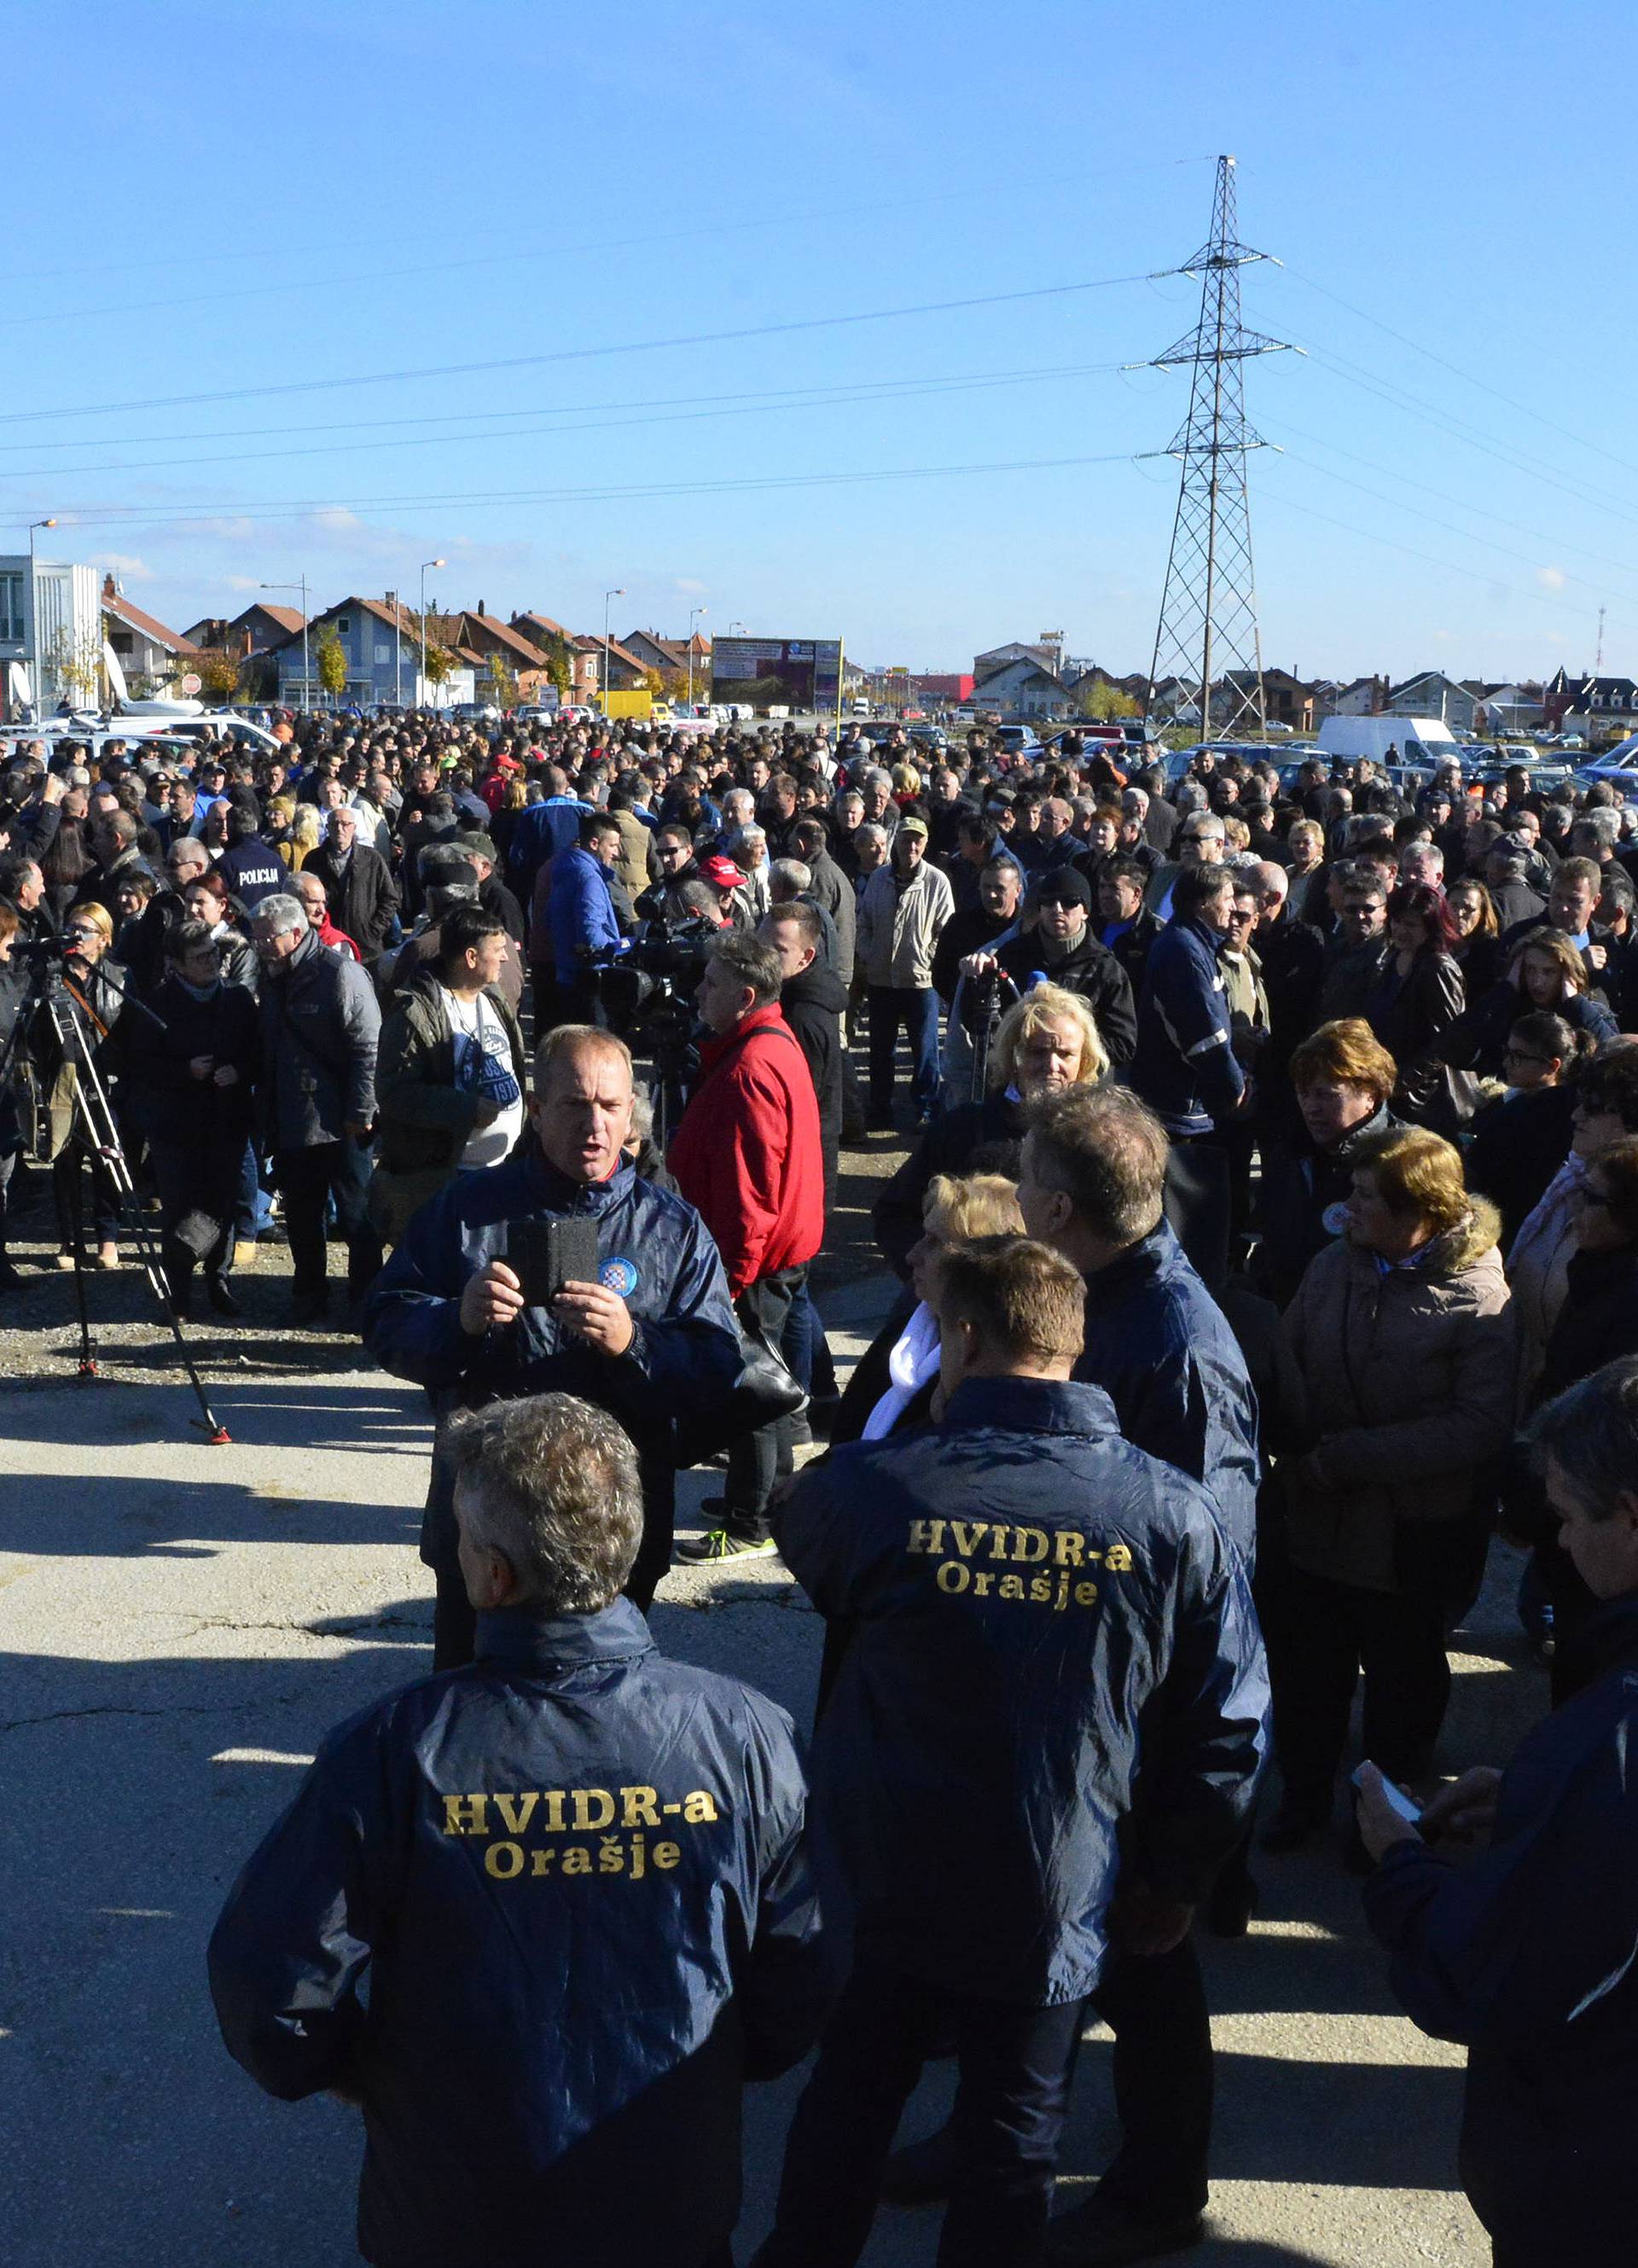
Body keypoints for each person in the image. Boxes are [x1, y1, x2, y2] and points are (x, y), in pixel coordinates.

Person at [209, 1391, 832, 2268]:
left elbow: (268, 1973)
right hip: (669, 2189)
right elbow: (804, 1955)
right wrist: (730, 2061)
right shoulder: (751, 1735)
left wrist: (348, 2068)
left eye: (461, 1535)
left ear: (493, 1576)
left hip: (456, 2206)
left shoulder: (394, 1748)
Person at [755, 1236, 1267, 2268]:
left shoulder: (877, 1489)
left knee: (849, 2106)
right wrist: (1173, 1879)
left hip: (887, 1875)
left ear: (967, 1339)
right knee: (1014, 2140)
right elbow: (1232, 1724)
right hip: (1058, 1888)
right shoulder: (1173, 1515)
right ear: (1071, 1347)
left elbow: (800, 1529)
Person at [1359, 1354, 1638, 2268]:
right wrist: (1534, 1797)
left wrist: (1402, 1861)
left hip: (1593, 2187)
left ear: (1632, 1518)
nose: (1556, 1546)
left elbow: (1478, 1974)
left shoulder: (1610, 1744)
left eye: (1566, 1516)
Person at [363, 1024, 743, 1659]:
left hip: (614, 1519)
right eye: (574, 1104)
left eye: (611, 1106)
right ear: (537, 1112)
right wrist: (457, 1319)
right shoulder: (467, 1210)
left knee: (599, 1710)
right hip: (488, 1517)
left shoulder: (671, 1228)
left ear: (632, 1117)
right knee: (474, 1708)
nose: (594, 1124)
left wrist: (634, 1342)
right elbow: (384, 1321)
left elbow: (717, 1365)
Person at [1265, 1128, 1517, 1856]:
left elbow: (1476, 1427)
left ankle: (1384, 1825)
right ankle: (1305, 1800)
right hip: (1316, 1522)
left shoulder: (1481, 1300)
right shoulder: (1331, 1267)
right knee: (1310, 1676)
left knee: (1402, 1691)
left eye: (1366, 1197)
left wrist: (1351, 1459)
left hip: (1412, 1536)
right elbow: (1289, 1359)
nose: (1347, 1207)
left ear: (1421, 1210)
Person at [669, 932, 825, 1561]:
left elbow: (749, 1195)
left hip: (759, 1255)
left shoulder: (751, 1067)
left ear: (746, 995)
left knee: (750, 1385)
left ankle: (750, 1520)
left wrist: (731, 1283)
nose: (699, 991)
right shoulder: (764, 1042)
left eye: (711, 983)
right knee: (767, 1379)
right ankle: (768, 1491)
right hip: (780, 1245)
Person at [874, 983, 1107, 1277]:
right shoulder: (962, 1129)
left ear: (1084, 1060)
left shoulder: (1095, 1143)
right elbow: (894, 1215)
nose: (1052, 1065)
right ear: (1013, 1056)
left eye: (1065, 1054)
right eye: (1037, 1051)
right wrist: (938, 1277)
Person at [252, 892, 383, 1325]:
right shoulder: (273, 976)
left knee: (357, 1215)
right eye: (257, 937)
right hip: (292, 1119)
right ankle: (309, 1296)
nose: (260, 945)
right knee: (303, 1216)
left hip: (342, 1121)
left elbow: (368, 1046)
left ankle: (367, 1300)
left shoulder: (340, 973)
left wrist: (362, 1110)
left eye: (268, 937)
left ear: (295, 933)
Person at [371, 902, 527, 1244]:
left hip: (504, 1169)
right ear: (471, 958)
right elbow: (394, 1093)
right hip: (449, 1177)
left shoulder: (495, 999)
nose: (505, 959)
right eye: (498, 951)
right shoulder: (415, 1015)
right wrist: (466, 1109)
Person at [127, 918, 259, 1317]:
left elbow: (259, 1052)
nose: (211, 963)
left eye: (214, 954)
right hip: (177, 1125)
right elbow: (140, 1065)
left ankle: (219, 1278)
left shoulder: (236, 1000)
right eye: (200, 958)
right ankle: (178, 1290)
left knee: (222, 1204)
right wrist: (185, 1071)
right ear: (177, 964)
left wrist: (239, 1071)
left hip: (226, 1120)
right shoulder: (157, 1005)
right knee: (180, 1207)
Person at [1254, 1020, 1402, 1305]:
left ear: (1370, 1093)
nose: (1311, 1107)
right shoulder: (1290, 1155)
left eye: (1326, 1095)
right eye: (1303, 1094)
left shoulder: (1403, 1161)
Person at [1128, 864, 1246, 1141]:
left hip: (1190, 1099)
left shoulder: (1198, 944)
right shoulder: (1183, 950)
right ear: (1203, 902)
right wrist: (1234, 1084)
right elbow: (1202, 1033)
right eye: (1227, 898)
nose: (1233, 907)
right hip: (1176, 1104)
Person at [857, 811, 955, 1129]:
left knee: (924, 1050)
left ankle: (926, 1107)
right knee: (880, 1050)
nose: (910, 847)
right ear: (896, 842)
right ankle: (880, 1107)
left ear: (925, 845)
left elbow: (945, 931)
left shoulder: (937, 882)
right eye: (906, 840)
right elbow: (865, 922)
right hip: (882, 979)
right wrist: (869, 953)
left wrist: (927, 958)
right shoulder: (878, 879)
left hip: (920, 981)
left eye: (917, 841)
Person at [1463, 1010, 1582, 1244]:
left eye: (1518, 1056)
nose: (1507, 1062)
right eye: (1507, 1052)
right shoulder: (1508, 1102)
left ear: (1552, 1065)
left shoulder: (1547, 1115)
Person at [1361, 881, 1471, 1132]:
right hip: (1387, 1089)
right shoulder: (1390, 959)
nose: (1400, 929)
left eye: (1411, 924)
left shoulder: (1438, 968)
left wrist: (1401, 1083)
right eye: (1397, 921)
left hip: (1426, 1102)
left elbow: (1447, 1041)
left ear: (1431, 928)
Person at [547, 811, 625, 1026]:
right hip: (589, 979)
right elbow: (591, 935)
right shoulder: (589, 878)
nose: (617, 853)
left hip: (566, 974)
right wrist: (619, 947)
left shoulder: (566, 869)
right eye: (613, 846)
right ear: (594, 843)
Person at [302, 803, 398, 966]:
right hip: (326, 944)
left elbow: (389, 898)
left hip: (367, 949)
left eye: (345, 824)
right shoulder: (314, 859)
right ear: (328, 828)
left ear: (354, 828)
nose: (340, 829)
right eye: (335, 824)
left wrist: (373, 931)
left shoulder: (372, 859)